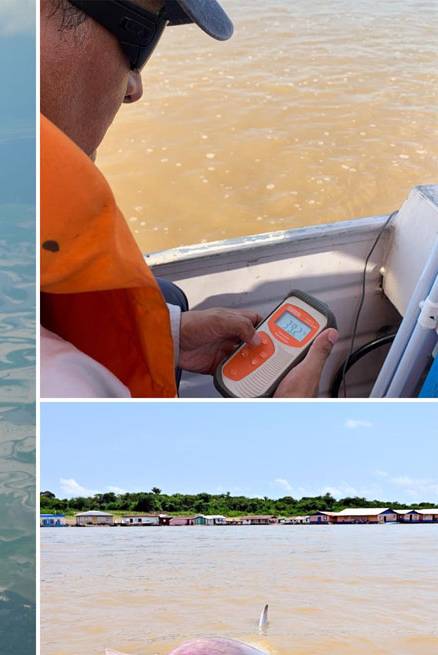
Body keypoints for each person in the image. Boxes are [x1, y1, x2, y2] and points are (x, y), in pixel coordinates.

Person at [40, 0, 339, 397]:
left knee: (167, 298)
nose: (135, 88)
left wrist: (169, 334)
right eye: (139, 40)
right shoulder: (61, 388)